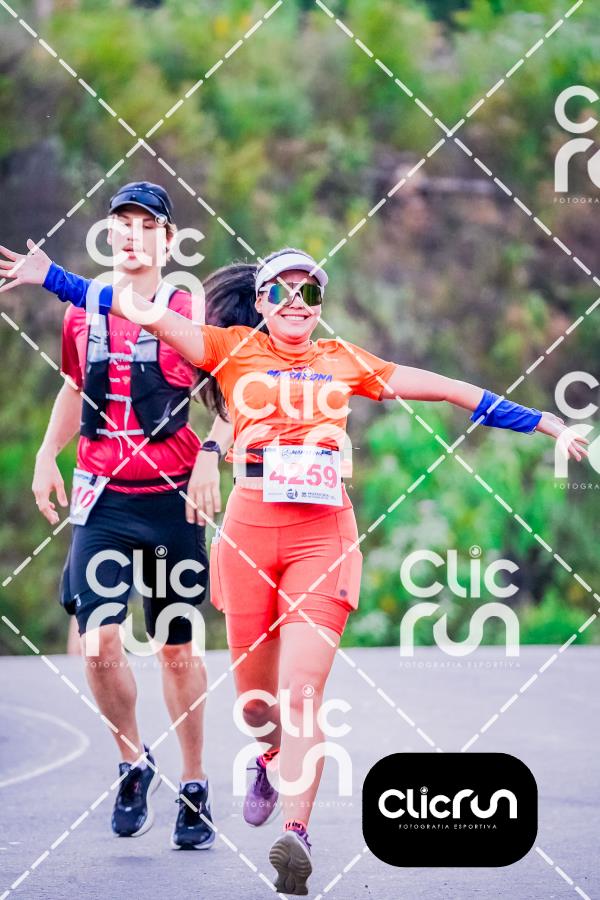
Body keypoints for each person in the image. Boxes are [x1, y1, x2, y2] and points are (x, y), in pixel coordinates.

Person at [0, 244, 588, 894]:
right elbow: (135, 308)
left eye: (309, 292)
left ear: (319, 305)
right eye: (281, 290)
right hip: (249, 538)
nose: (296, 303)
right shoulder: (227, 349)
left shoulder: (345, 361)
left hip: (323, 537)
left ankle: (296, 836)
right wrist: (52, 278)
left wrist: (545, 423)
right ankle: (270, 754)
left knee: (303, 692)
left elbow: (449, 389)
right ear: (260, 301)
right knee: (257, 706)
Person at [13, 182, 235, 850]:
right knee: (99, 642)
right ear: (110, 235)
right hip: (103, 497)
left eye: (147, 225)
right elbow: (74, 387)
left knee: (175, 648)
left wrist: (211, 455)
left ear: (168, 240)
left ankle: (194, 783)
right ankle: (132, 761)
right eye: (122, 224)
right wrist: (47, 455)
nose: (133, 234)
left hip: (172, 500)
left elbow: (233, 397)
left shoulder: (188, 310)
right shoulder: (81, 315)